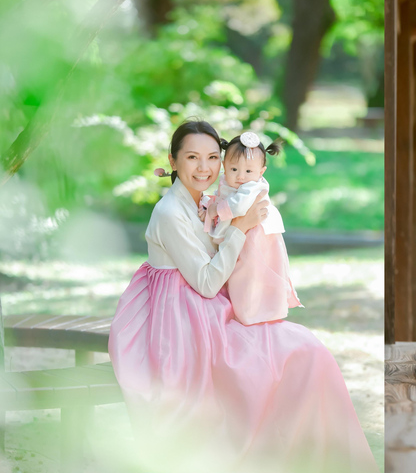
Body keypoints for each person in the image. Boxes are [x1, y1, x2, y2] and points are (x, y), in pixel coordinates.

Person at [108, 120, 378, 473]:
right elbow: (206, 282)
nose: (204, 167)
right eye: (192, 157)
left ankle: (317, 458)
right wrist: (240, 226)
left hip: (209, 306)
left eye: (212, 157)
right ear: (173, 161)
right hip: (182, 319)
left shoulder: (204, 202)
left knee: (309, 352)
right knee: (285, 357)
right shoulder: (170, 212)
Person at [201, 131, 301, 325]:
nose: (240, 176)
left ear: (261, 172)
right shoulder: (228, 181)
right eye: (234, 169)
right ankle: (242, 309)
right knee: (239, 273)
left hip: (256, 236)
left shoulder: (252, 187)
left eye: (248, 171)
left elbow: (237, 205)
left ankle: (251, 312)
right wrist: (209, 203)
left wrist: (214, 210)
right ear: (224, 166)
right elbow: (222, 196)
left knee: (250, 275)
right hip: (242, 233)